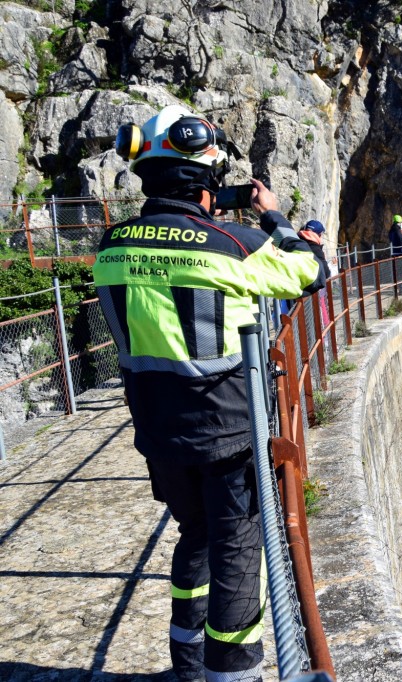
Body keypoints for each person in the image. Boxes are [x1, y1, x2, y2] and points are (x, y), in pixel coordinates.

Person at [96, 104, 326, 682]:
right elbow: (311, 269)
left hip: (157, 432)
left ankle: (187, 665)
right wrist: (273, 218)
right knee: (236, 546)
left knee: (192, 534)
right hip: (227, 434)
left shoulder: (110, 248)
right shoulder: (235, 245)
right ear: (205, 172)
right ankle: (234, 672)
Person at [298, 220, 331, 325]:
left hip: (295, 291)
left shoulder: (296, 243)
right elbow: (326, 272)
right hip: (312, 290)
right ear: (319, 234)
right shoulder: (314, 248)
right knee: (320, 319)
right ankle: (325, 340)